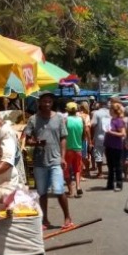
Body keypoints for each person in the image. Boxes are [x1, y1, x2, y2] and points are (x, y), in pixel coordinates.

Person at [23, 92, 73, 229]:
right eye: (44, 101)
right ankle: (44, 219)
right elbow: (27, 139)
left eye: (49, 102)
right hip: (39, 161)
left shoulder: (59, 118)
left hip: (56, 160)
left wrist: (63, 157)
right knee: (42, 192)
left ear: (52, 103)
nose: (46, 104)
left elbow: (63, 138)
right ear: (39, 102)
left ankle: (67, 217)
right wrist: (36, 142)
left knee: (58, 189)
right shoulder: (33, 119)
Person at [64, 101, 86, 198]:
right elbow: (84, 134)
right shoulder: (81, 120)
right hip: (78, 148)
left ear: (67, 111)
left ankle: (71, 191)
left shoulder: (65, 120)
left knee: (66, 170)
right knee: (77, 169)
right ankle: (78, 187)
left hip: (67, 149)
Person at [104, 103, 127, 191]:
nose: (109, 111)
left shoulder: (119, 121)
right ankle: (110, 184)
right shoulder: (110, 120)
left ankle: (119, 184)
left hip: (116, 146)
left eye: (110, 109)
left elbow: (123, 133)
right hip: (108, 145)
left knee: (117, 166)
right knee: (110, 166)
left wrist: (111, 132)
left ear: (114, 111)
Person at [90, 100, 111, 179]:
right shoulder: (111, 113)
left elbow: (92, 124)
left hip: (99, 137)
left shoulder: (97, 113)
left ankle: (100, 172)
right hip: (110, 137)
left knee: (98, 155)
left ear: (100, 104)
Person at [78, 101, 93, 177]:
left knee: (78, 156)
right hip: (84, 138)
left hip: (76, 138)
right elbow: (87, 129)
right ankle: (85, 172)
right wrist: (90, 141)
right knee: (85, 156)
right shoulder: (86, 116)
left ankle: (80, 172)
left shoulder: (76, 115)